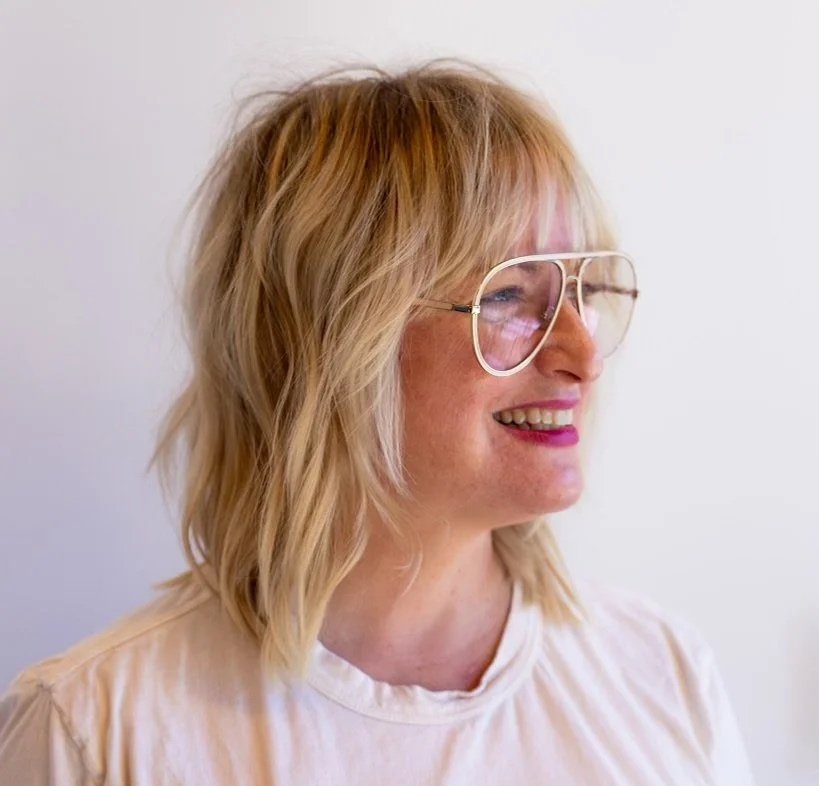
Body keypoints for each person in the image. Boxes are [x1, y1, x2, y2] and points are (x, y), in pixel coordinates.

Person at [0, 58, 756, 785]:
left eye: (583, 290)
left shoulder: (662, 676)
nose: (584, 357)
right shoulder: (95, 732)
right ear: (330, 339)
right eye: (508, 296)